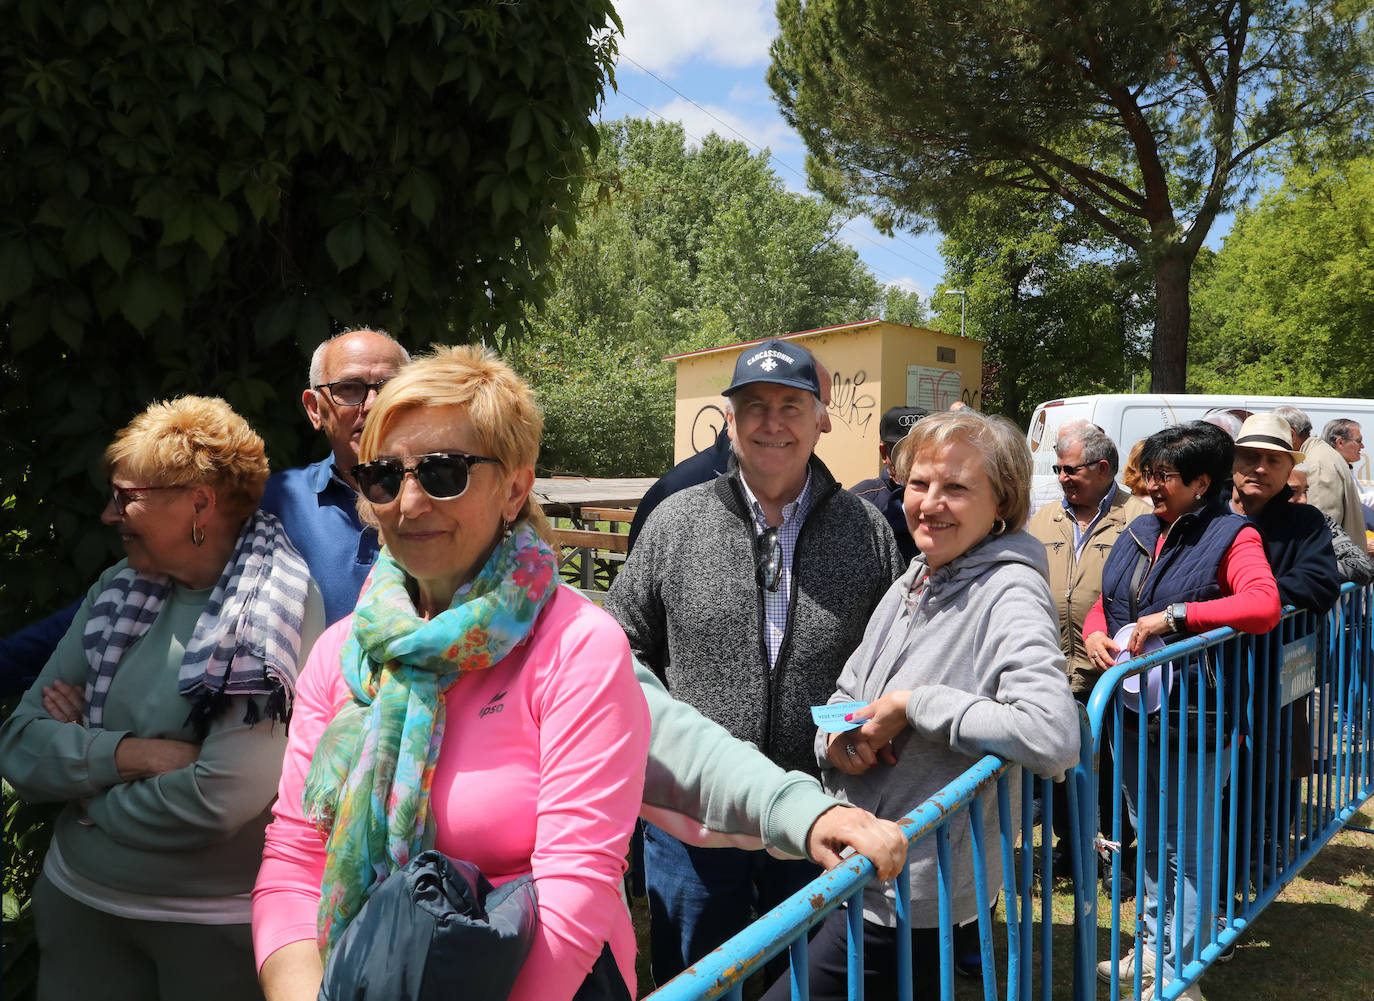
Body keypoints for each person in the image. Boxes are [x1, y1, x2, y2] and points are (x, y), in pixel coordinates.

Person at [252, 346, 650, 1001]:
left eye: (443, 472)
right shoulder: (343, 654)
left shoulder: (577, 647)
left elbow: (572, 895)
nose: (409, 502)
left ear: (515, 488)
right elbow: (295, 858)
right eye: (383, 476)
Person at [0, 396, 324, 1001]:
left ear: (199, 502)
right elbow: (19, 744)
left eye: (126, 497)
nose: (107, 514)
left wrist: (88, 799)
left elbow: (219, 797)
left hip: (209, 938)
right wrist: (138, 756)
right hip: (80, 912)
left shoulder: (275, 612)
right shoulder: (117, 588)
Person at [606, 338, 904, 984]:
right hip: (696, 821)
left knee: (801, 983)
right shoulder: (675, 522)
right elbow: (616, 643)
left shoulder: (866, 529)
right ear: (730, 420)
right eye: (755, 406)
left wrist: (872, 725)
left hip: (819, 812)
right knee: (695, 978)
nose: (773, 423)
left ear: (822, 417)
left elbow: (893, 653)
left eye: (791, 406)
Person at [761, 408, 1081, 1001]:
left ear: (1003, 503)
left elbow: (1053, 733)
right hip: (859, 869)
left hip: (914, 895)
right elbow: (847, 692)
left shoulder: (1008, 591)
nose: (930, 503)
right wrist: (836, 741)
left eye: (957, 487)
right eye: (919, 483)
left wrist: (915, 704)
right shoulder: (915, 576)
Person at [1087, 421, 1281, 1001]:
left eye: (1163, 476)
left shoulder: (1233, 535)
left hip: (1195, 719)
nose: (1149, 487)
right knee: (1150, 837)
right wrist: (1098, 632)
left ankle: (1182, 972)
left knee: (1187, 847)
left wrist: (1174, 618)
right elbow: (1109, 599)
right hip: (1133, 714)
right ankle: (1151, 949)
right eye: (1148, 474)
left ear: (1202, 482)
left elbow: (1263, 604)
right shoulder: (1141, 528)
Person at [1027, 421, 1149, 882]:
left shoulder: (1138, 517)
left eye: (1071, 469)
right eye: (1057, 468)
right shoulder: (1044, 519)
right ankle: (1070, 845)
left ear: (1102, 469)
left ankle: (1115, 848)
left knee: (1114, 765)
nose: (1061, 477)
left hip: (1114, 667)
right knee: (1060, 762)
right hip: (1054, 664)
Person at [259, 327, 410, 622]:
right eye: (350, 388)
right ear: (314, 409)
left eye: (391, 386)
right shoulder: (272, 503)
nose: (373, 404)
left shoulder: (447, 493)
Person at [627, 357, 833, 550]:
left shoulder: (833, 502)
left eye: (792, 408)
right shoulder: (674, 497)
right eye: (821, 406)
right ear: (731, 420)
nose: (827, 426)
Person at [1273, 406, 1365, 544]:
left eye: (1274, 436)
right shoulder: (1319, 455)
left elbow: (1319, 530)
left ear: (1291, 435)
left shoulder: (1317, 463)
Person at [849, 405, 928, 563]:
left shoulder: (947, 499)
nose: (916, 458)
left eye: (925, 448)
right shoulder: (859, 503)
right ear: (884, 453)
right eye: (905, 451)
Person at [1287, 464, 1374, 585]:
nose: (1303, 499)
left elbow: (1362, 566)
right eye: (1292, 492)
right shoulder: (1254, 527)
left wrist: (1305, 573)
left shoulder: (1321, 522)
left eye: (1305, 491)